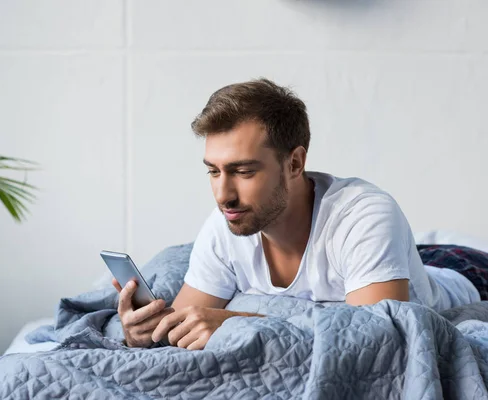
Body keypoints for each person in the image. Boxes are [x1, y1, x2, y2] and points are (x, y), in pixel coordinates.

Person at [112, 78, 481, 350]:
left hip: (462, 270)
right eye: (213, 171)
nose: (224, 195)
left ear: (295, 162)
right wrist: (141, 332)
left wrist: (237, 324)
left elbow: (380, 335)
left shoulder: (365, 215)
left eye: (243, 171)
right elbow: (184, 324)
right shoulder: (226, 222)